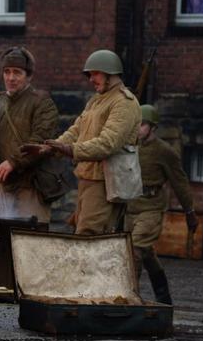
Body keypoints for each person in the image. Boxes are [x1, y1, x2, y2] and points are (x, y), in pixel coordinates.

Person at [21, 49, 141, 234]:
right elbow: (77, 130)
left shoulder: (124, 102)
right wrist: (49, 148)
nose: (91, 79)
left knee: (89, 236)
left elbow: (107, 143)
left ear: (110, 73)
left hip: (105, 182)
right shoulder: (97, 100)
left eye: (95, 74)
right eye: (89, 75)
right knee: (82, 231)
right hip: (87, 177)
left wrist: (69, 149)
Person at [0, 46, 60, 223]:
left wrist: (13, 161)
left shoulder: (43, 103)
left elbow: (40, 141)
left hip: (31, 186)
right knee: (1, 241)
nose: (10, 78)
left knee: (30, 242)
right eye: (7, 72)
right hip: (2, 187)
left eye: (17, 72)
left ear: (29, 76)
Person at [123, 104, 198, 304]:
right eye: (135, 124)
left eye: (143, 125)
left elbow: (180, 182)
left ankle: (130, 298)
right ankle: (163, 295)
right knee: (145, 252)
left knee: (136, 250)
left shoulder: (165, 152)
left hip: (151, 207)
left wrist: (189, 211)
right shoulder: (128, 146)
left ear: (153, 127)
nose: (138, 128)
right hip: (130, 206)